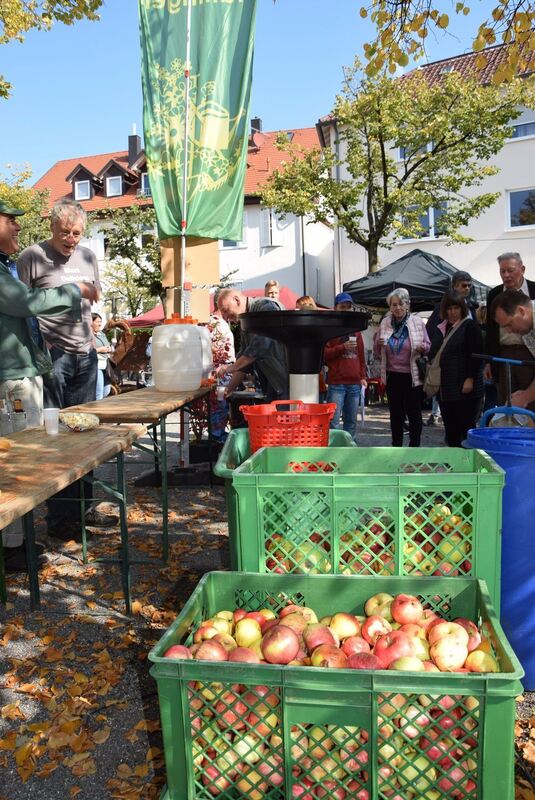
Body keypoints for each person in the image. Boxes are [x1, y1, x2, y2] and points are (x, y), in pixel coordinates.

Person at [0, 199, 97, 571]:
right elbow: (26, 304)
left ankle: (19, 540)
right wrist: (75, 293)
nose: (18, 227)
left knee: (26, 454)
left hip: (25, 373)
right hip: (13, 380)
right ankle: (13, 547)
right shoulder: (19, 263)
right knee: (20, 460)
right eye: (11, 221)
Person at [17, 198, 117, 539]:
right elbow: (25, 305)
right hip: (53, 356)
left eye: (76, 233)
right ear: (52, 227)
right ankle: (60, 520)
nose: (71, 239)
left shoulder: (88, 256)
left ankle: (84, 508)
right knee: (57, 437)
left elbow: (96, 295)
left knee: (85, 435)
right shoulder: (32, 256)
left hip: (86, 354)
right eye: (65, 232)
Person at [374, 288, 430, 447]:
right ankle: (396, 446)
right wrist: (378, 344)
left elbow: (428, 345)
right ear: (390, 307)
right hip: (393, 375)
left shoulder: (417, 322)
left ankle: (414, 447)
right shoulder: (385, 322)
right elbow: (378, 352)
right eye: (394, 305)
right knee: (396, 414)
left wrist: (422, 348)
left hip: (412, 375)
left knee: (414, 413)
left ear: (407, 305)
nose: (397, 308)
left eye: (401, 304)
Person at [428, 291, 484, 446]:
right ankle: (454, 465)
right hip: (446, 389)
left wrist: (470, 378)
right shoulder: (441, 327)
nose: (452, 312)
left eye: (456, 308)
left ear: (462, 309)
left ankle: (467, 466)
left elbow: (477, 354)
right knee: (451, 431)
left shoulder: (470, 326)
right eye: (449, 308)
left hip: (465, 387)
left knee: (465, 430)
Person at [216, 288, 288, 401]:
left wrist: (231, 367)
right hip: (272, 385)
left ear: (236, 300)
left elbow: (260, 344)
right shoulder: (245, 322)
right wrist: (229, 389)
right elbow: (244, 360)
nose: (225, 317)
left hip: (285, 383)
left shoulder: (266, 306)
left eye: (225, 310)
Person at [425, 270, 478, 425]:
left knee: (467, 421)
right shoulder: (442, 309)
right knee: (451, 422)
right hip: (447, 372)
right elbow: (430, 336)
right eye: (464, 285)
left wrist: (471, 376)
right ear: (454, 286)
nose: (467, 289)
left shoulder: (471, 309)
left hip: (467, 370)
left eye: (469, 286)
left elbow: (475, 347)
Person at [485, 252, 535, 406]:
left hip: (529, 355)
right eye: (502, 271)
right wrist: (489, 360)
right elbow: (491, 330)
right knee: (508, 403)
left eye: (510, 270)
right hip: (504, 355)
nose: (506, 275)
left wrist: (527, 396)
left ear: (522, 269)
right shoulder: (494, 293)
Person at [324, 292, 367, 441]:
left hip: (354, 383)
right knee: (333, 422)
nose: (346, 310)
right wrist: (342, 347)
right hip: (337, 382)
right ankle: (333, 453)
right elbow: (324, 354)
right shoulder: (330, 330)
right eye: (343, 306)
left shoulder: (356, 330)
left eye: (349, 307)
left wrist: (362, 376)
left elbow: (361, 356)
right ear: (335, 307)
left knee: (351, 422)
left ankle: (350, 453)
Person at [491, 289, 535, 411]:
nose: (508, 331)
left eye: (509, 324)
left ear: (521, 311)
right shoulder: (526, 330)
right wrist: (526, 394)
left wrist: (525, 397)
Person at [92, 313, 112, 400]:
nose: (100, 324)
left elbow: (108, 345)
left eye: (101, 322)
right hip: (96, 365)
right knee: (99, 392)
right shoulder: (87, 335)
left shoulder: (101, 334)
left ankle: (95, 403)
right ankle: (97, 411)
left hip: (106, 365)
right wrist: (99, 350)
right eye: (98, 322)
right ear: (91, 322)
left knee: (107, 390)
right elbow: (85, 350)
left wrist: (110, 348)